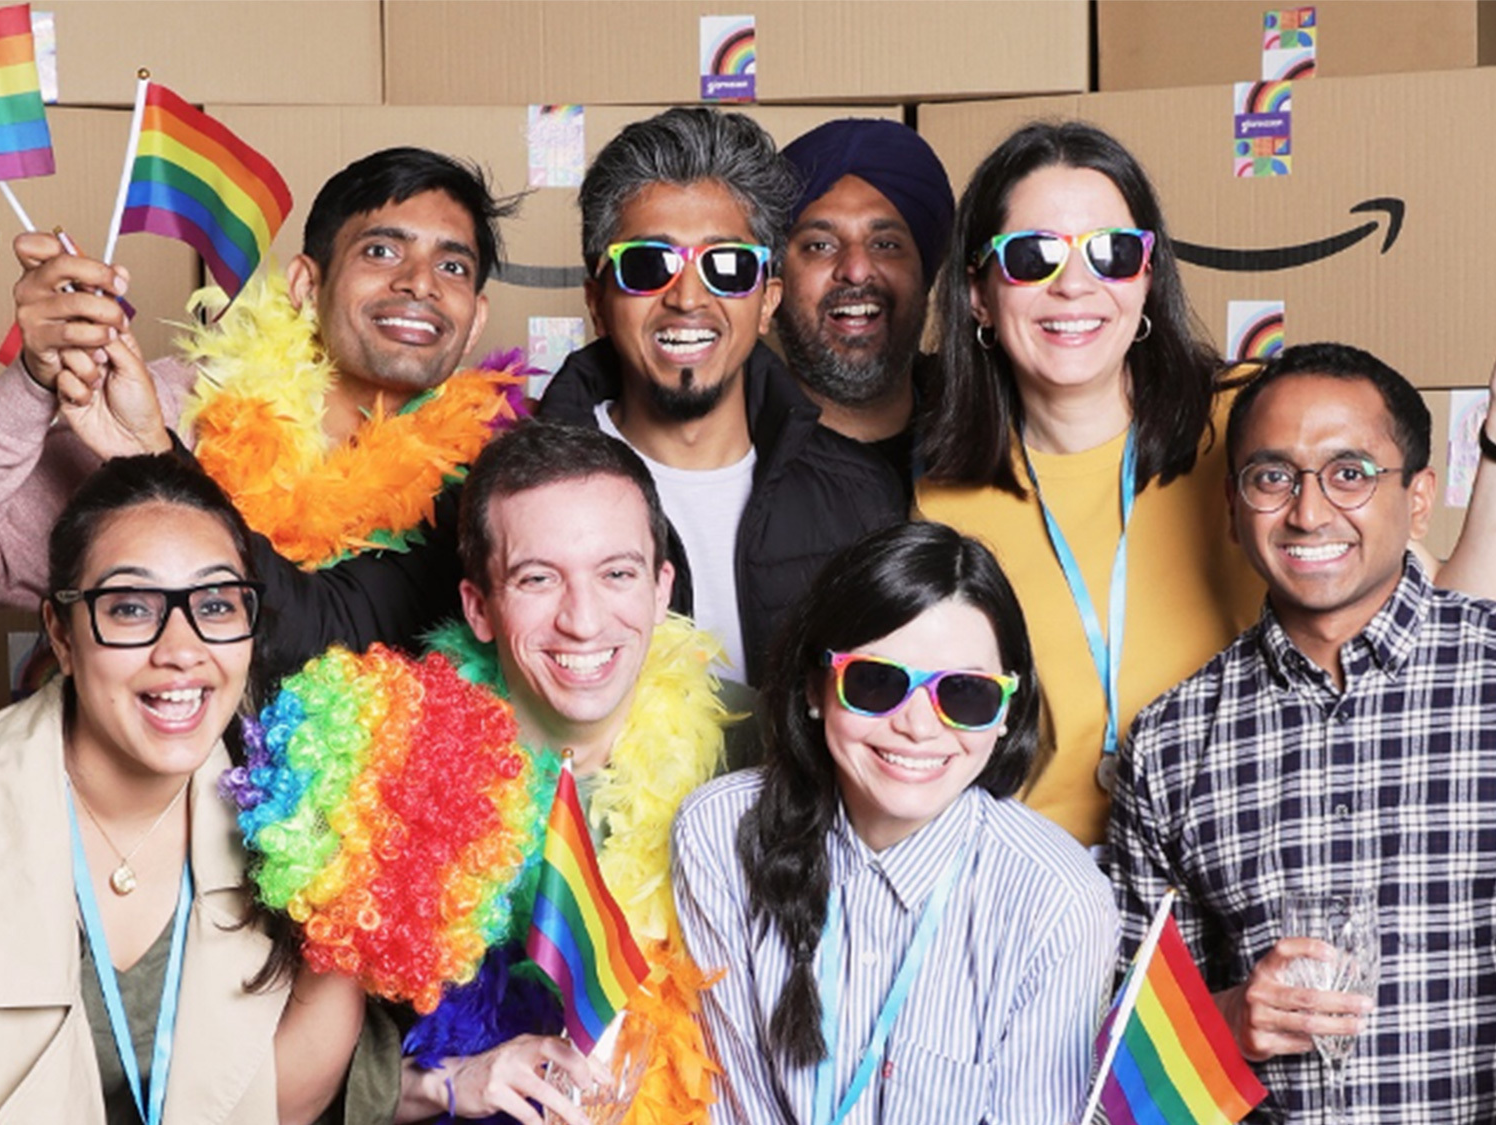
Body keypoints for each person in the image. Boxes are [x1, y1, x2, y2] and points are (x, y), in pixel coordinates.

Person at [915, 119, 1496, 846]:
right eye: (1033, 255)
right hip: (1040, 899)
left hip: (1246, 878)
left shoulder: (1255, 423)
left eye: (1113, 254)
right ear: (980, 295)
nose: (1076, 284)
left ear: (1148, 277)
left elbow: (1451, 627)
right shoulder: (941, 496)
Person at [1107, 343, 1496, 1124]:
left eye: (1350, 474)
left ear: (1417, 499)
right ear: (1233, 514)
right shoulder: (1171, 743)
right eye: (1273, 477)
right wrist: (1233, 1013)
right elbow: (1127, 1028)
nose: (1308, 512)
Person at [0, 454, 363, 1124]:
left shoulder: (297, 810)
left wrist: (356, 911)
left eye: (214, 604)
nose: (181, 648)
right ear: (60, 634)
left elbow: (277, 1103)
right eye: (129, 607)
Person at [229, 421, 737, 1125]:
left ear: (660, 587)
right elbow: (284, 1101)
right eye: (538, 578)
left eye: (616, 573)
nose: (583, 620)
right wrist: (450, 1081)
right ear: (478, 607)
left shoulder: (751, 767)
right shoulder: (384, 772)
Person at [0, 147, 520, 668]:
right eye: (381, 250)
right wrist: (32, 382)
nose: (418, 284)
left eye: (453, 268)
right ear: (304, 285)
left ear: (476, 317)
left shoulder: (510, 477)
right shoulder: (171, 405)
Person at [672, 520, 1115, 1124]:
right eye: (877, 682)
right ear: (814, 687)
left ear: (1008, 711)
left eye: (965, 693)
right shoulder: (719, 833)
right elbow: (733, 1104)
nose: (919, 725)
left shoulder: (1059, 899)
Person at [538, 108, 909, 687]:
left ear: (767, 301)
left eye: (728, 266)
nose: (687, 297)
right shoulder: (515, 493)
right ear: (597, 301)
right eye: (647, 264)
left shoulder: (863, 499)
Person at [776, 117, 955, 478]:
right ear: (773, 284)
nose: (856, 270)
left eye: (886, 245)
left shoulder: (992, 438)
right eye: (820, 245)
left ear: (926, 275)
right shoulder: (730, 454)